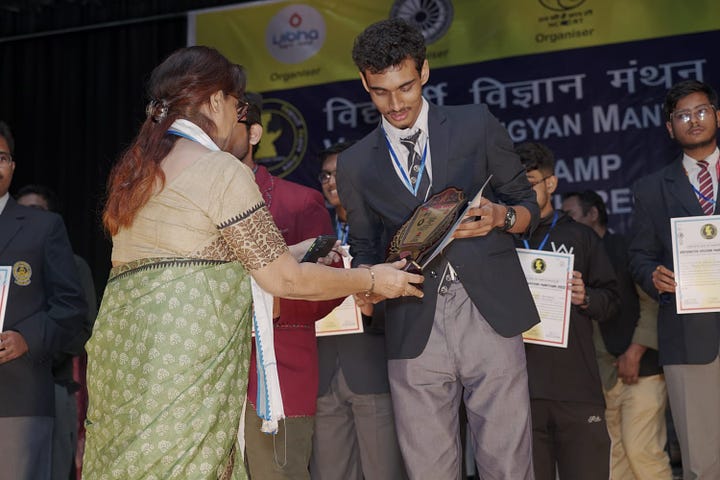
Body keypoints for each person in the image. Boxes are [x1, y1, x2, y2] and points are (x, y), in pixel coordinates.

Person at [83, 46, 423, 480]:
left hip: (125, 365)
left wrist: (290, 253)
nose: (235, 116)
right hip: (182, 369)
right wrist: (374, 277)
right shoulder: (221, 170)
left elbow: (190, 265)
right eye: (236, 104)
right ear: (214, 102)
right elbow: (286, 279)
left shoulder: (137, 175)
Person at [336, 19, 541, 479]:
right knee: (428, 468)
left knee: (508, 462)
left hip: (488, 307)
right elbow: (366, 248)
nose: (395, 103)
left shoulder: (476, 123)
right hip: (411, 319)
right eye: (380, 92)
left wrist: (500, 217)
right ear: (364, 85)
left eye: (405, 87)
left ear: (424, 72)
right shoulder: (354, 163)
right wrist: (366, 285)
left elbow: (527, 205)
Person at [225, 93, 344, 479]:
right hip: (210, 383)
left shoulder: (299, 202)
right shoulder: (195, 207)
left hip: (277, 380)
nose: (218, 135)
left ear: (255, 132)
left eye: (230, 123)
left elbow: (331, 283)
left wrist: (274, 303)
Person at [628, 79, 720, 480]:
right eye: (682, 115)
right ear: (670, 128)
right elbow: (638, 256)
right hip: (688, 335)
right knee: (703, 461)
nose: (693, 120)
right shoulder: (651, 189)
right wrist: (652, 275)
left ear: (717, 115)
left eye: (700, 111)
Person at [516, 142, 619, 480]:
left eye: (529, 182)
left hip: (577, 389)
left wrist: (585, 296)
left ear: (551, 183)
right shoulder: (502, 242)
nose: (521, 191)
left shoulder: (581, 236)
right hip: (518, 392)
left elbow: (612, 300)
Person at [311, 142, 407, 480]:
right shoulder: (312, 233)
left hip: (372, 367)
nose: (331, 181)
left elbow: (408, 297)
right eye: (325, 175)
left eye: (339, 174)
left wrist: (370, 310)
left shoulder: (386, 232)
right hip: (323, 372)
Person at [562, 190, 672, 480]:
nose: (566, 221)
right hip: (600, 376)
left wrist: (635, 352)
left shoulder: (625, 249)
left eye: (570, 214)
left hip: (641, 367)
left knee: (642, 453)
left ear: (593, 214)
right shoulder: (567, 257)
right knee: (614, 460)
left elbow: (652, 304)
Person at [0, 122, 88, 480]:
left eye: (1, 156)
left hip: (18, 398)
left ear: (12, 166)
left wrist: (26, 339)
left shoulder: (42, 227)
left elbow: (71, 308)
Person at [14, 184, 99, 480]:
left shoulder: (73, 266)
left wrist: (36, 348)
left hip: (53, 384)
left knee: (52, 469)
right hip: (9, 387)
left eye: (35, 211)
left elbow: (83, 328)